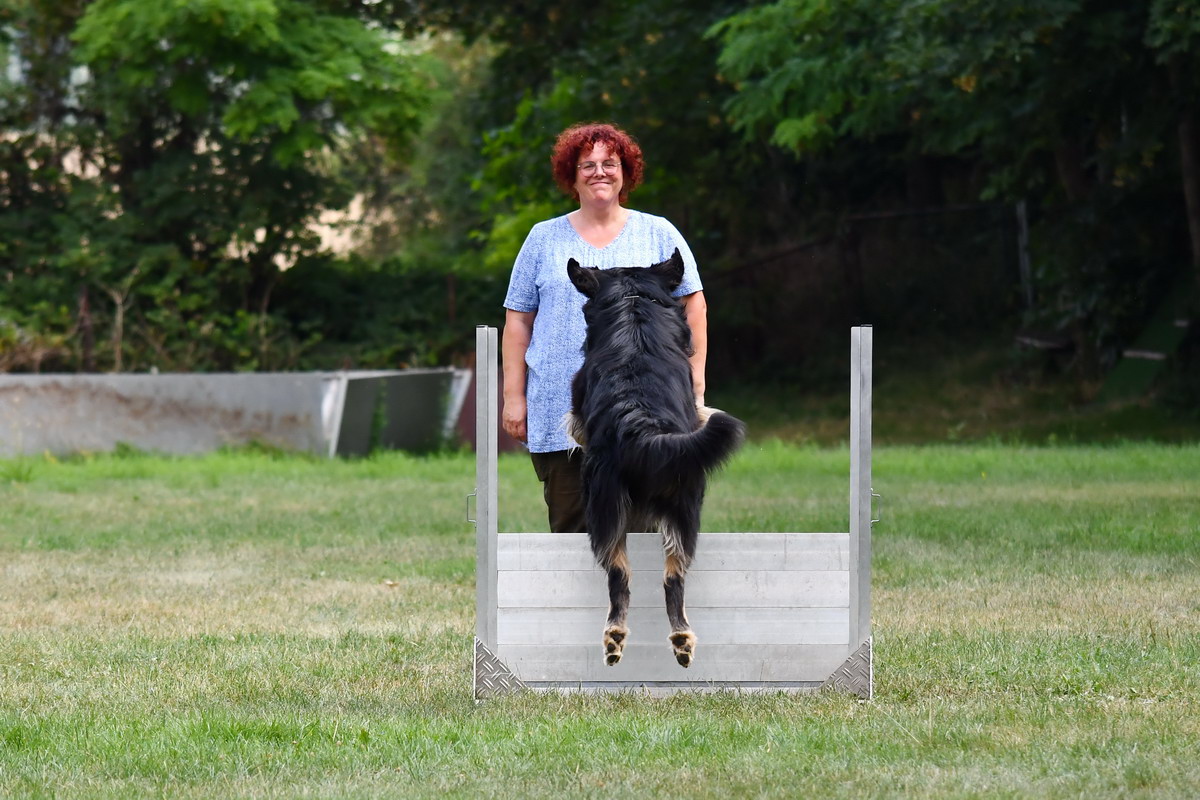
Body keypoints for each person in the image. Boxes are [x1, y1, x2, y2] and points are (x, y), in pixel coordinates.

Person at [501, 122, 708, 533]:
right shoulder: (543, 239)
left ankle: (642, 601)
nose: (599, 172)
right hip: (563, 408)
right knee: (572, 527)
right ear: (571, 175)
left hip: (649, 410)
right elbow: (518, 320)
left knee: (646, 527)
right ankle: (574, 602)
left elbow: (694, 305)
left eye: (609, 163)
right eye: (588, 164)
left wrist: (695, 384)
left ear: (625, 171)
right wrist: (513, 397)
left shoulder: (658, 232)